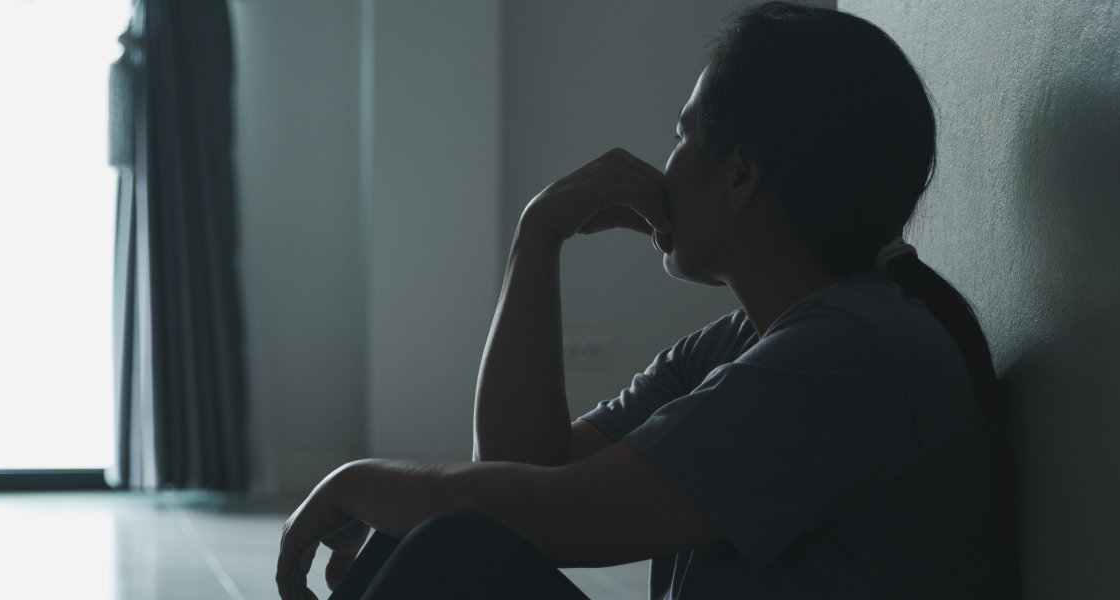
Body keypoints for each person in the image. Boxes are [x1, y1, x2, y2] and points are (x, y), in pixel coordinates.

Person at [276, 3, 1016, 598]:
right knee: (449, 532)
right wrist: (539, 237)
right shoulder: (749, 341)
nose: (664, 164)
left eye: (682, 135)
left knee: (452, 542)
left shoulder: (848, 353)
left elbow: (551, 514)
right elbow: (521, 469)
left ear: (739, 177)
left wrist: (356, 481)